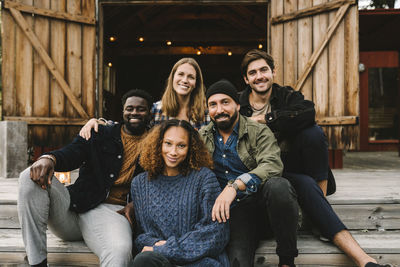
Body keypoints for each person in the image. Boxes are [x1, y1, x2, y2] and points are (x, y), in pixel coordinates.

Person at [238, 49, 389, 267]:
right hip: (261, 173)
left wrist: (267, 119)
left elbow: (308, 112)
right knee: (302, 185)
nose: (259, 76)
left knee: (313, 133)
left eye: (264, 70)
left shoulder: (286, 96)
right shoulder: (238, 104)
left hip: (289, 166)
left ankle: (366, 262)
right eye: (253, 73)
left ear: (273, 72)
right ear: (246, 79)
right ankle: (324, 216)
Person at [18, 89, 153, 267]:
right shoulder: (101, 133)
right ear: (123, 111)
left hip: (112, 214)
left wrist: (139, 203)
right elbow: (72, 152)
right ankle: (37, 262)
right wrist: (48, 158)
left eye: (141, 109)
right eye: (130, 108)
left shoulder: (156, 143)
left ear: (150, 112)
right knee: (29, 175)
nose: (134, 113)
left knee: (119, 252)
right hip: (72, 209)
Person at [199, 79, 299, 267]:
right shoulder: (202, 137)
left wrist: (235, 186)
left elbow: (272, 165)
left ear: (237, 104)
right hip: (234, 216)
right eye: (213, 104)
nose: (219, 109)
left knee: (279, 186)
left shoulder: (258, 131)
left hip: (264, 209)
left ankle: (286, 261)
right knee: (238, 262)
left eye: (225, 102)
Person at [130, 119, 229, 267]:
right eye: (168, 143)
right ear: (158, 144)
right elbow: (142, 236)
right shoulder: (140, 183)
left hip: (199, 261)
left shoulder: (204, 178)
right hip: (161, 262)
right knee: (143, 260)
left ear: (191, 148)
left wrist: (166, 248)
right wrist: (158, 247)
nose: (173, 152)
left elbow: (216, 234)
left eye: (181, 146)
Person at [151, 57, 210, 130]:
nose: (185, 80)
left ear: (196, 84)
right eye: (181, 74)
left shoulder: (206, 112)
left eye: (191, 77)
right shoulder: (156, 110)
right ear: (172, 78)